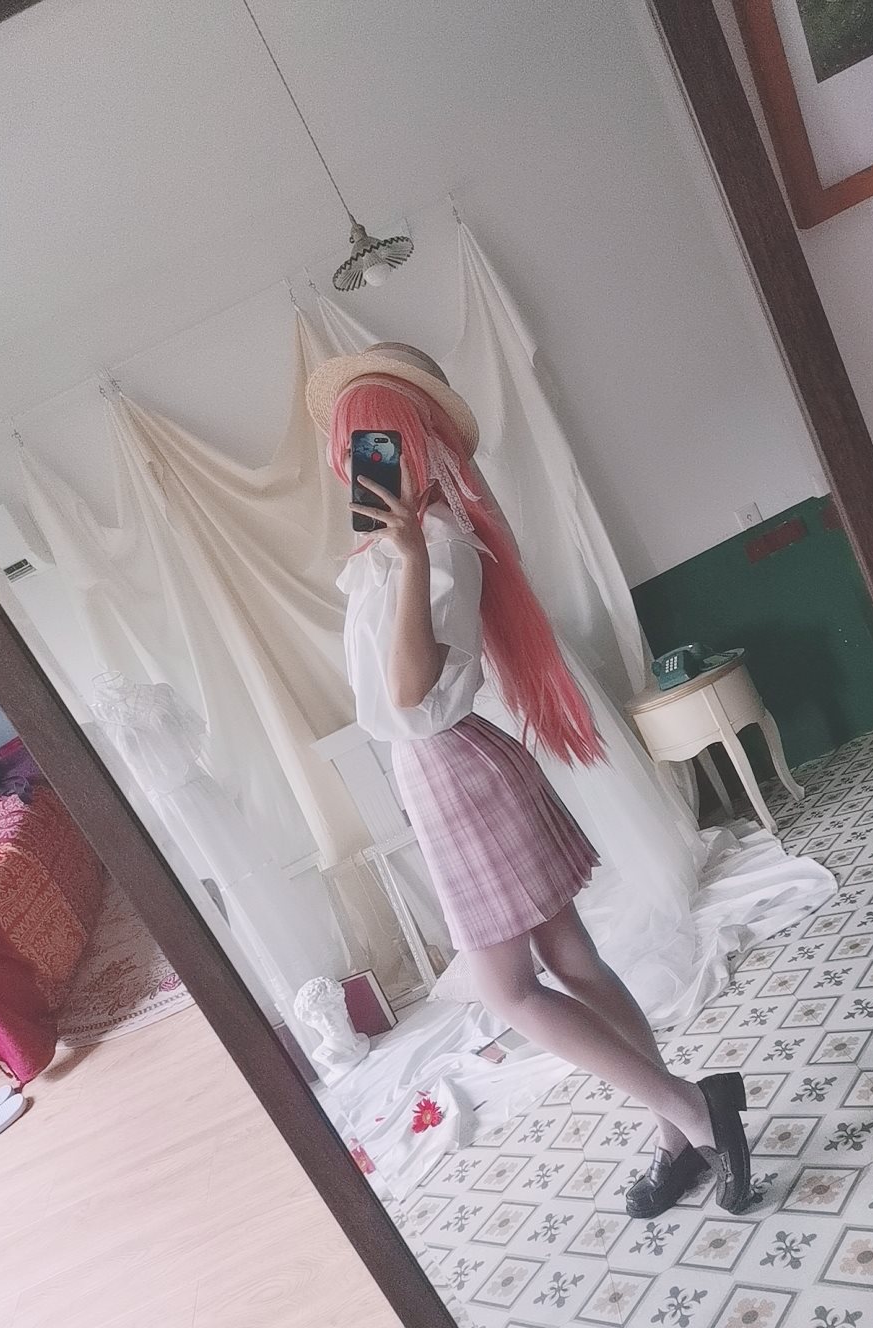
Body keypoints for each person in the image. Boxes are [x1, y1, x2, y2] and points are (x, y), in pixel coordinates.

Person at [306, 342, 752, 1217]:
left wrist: (413, 558)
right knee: (572, 962)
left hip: (457, 773)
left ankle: (696, 1112)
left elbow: (409, 692)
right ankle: (676, 1129)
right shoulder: (380, 559)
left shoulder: (440, 544)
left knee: (506, 990)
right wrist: (394, 556)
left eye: (379, 441)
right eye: (356, 447)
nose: (364, 463)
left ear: (413, 442)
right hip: (442, 777)